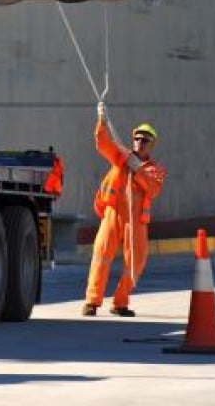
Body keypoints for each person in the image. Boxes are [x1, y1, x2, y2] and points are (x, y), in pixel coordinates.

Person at [82, 102, 166, 317]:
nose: (139, 142)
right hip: (113, 214)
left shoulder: (154, 169)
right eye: (137, 138)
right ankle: (92, 301)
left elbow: (153, 189)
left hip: (135, 220)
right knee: (101, 255)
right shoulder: (121, 156)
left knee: (136, 261)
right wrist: (101, 120)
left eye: (144, 139)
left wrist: (138, 170)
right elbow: (103, 144)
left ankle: (120, 303)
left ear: (152, 144)